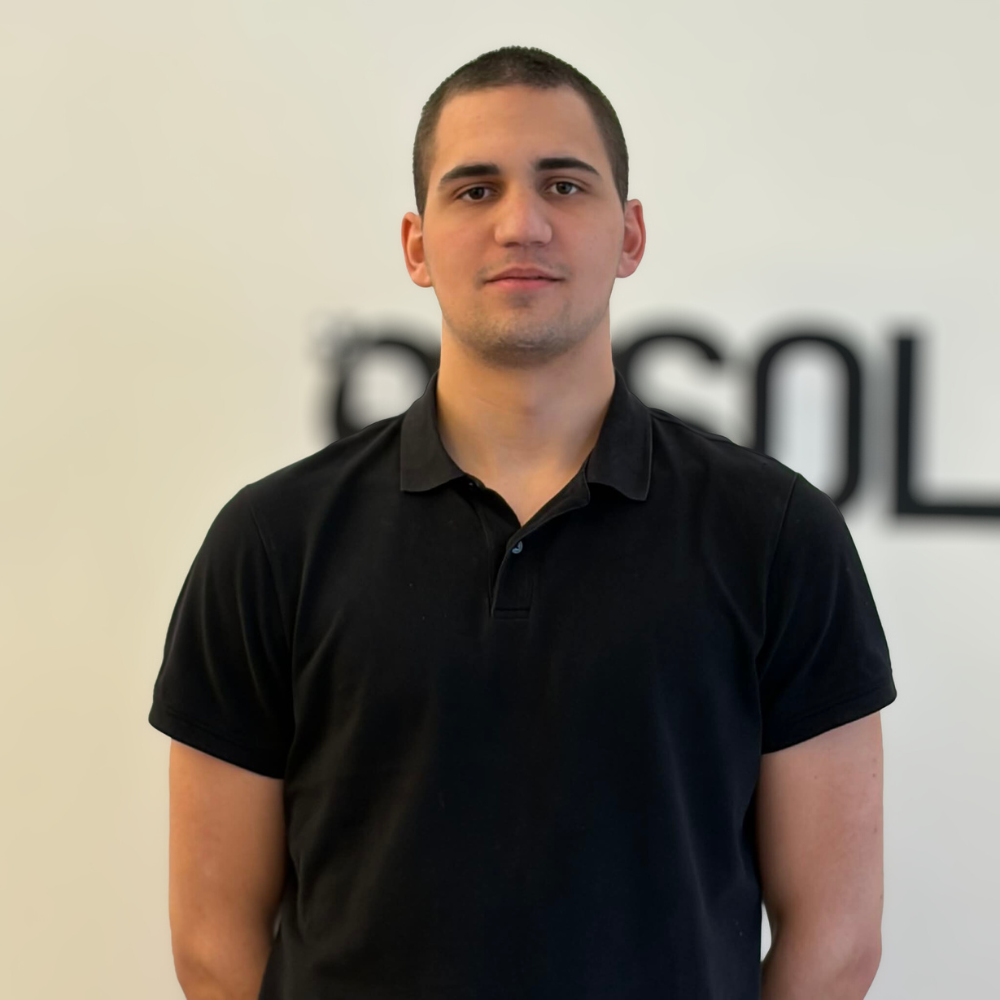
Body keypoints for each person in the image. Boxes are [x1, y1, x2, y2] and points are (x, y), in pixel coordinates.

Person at [149, 45, 897, 1000]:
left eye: (564, 185)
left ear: (630, 234)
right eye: (475, 190)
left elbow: (836, 941)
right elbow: (213, 942)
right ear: (417, 247)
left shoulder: (778, 535)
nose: (522, 223)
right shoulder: (272, 541)